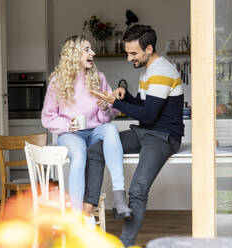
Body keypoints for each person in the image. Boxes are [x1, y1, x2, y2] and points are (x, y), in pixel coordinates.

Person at [83, 25, 184, 246]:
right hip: (144, 132)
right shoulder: (148, 70)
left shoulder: (162, 71)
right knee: (95, 150)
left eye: (133, 53)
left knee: (138, 189)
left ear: (149, 48)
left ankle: (125, 244)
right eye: (128, 53)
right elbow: (143, 105)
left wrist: (115, 102)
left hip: (163, 137)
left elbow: (148, 115)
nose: (129, 58)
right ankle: (87, 211)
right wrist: (126, 95)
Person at [41, 35, 132, 222]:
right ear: (73, 54)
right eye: (87, 49)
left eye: (91, 49)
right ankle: (76, 216)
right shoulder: (58, 81)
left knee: (111, 130)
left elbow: (105, 119)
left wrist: (104, 108)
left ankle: (119, 195)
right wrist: (68, 125)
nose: (93, 53)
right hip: (70, 134)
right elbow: (48, 117)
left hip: (94, 130)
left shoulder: (99, 78)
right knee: (80, 153)